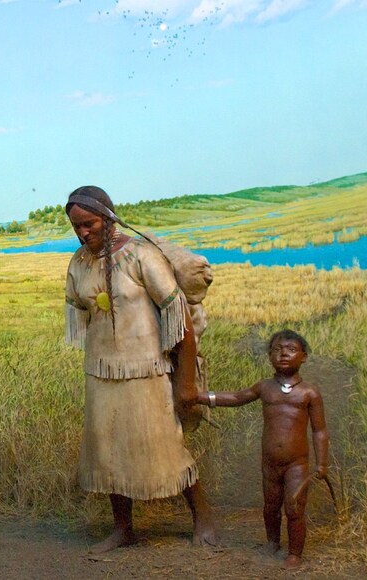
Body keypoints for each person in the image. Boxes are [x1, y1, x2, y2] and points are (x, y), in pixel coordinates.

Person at [63, 185, 217, 553]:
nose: (84, 232)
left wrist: (185, 383)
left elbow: (180, 319)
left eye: (90, 223)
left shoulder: (140, 256)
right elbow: (81, 314)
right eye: (76, 227)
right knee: (108, 449)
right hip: (101, 372)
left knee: (165, 444)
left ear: (109, 218)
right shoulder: (78, 263)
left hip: (148, 371)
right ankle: (123, 529)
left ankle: (204, 518)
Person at [197, 329, 329, 568]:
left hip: (297, 463)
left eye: (291, 349)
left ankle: (295, 553)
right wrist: (201, 397)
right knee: (270, 505)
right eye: (277, 350)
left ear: (304, 357)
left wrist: (321, 463)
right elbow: (237, 398)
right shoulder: (264, 387)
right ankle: (272, 542)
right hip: (269, 461)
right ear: (269, 356)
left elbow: (319, 431)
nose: (283, 354)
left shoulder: (309, 392)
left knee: (295, 507)